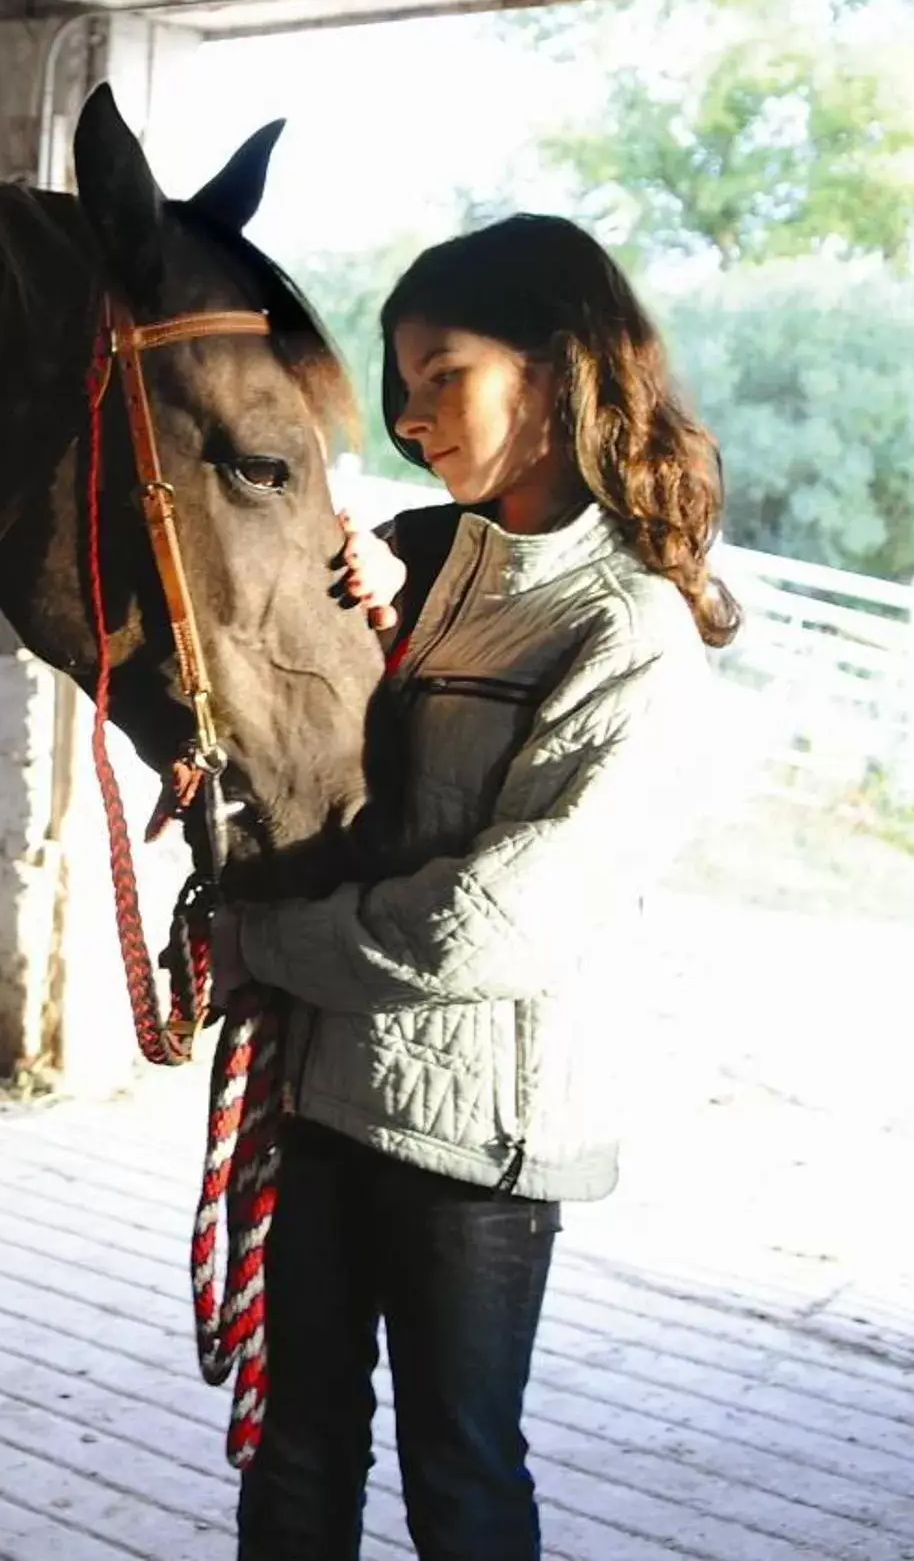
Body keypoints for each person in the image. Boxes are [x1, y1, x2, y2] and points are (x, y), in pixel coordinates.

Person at [211, 213, 740, 1560]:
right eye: (400, 381)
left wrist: (262, 941)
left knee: (458, 1475)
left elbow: (491, 920)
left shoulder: (627, 631)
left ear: (559, 374)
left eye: (441, 373)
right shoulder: (411, 559)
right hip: (321, 1097)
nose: (408, 412)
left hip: (469, 1146)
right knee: (291, 1452)